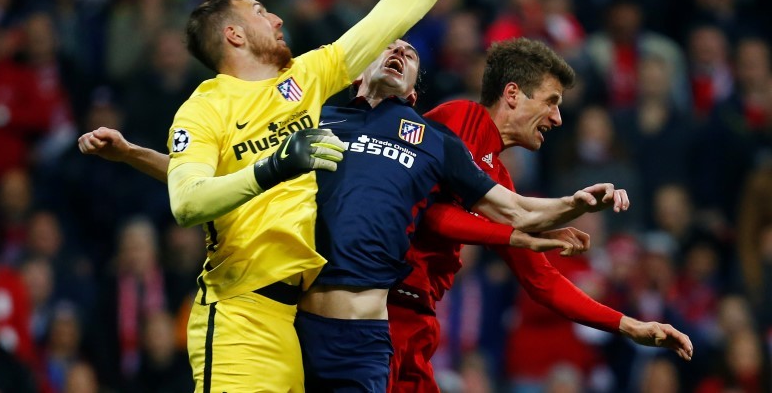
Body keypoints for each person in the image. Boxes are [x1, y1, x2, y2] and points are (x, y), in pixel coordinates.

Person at [80, 0, 500, 392]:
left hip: (293, 322)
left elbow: (385, 20)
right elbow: (188, 201)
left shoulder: (304, 78)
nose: (276, 17)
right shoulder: (204, 109)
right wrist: (279, 163)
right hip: (238, 313)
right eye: (260, 12)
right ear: (234, 34)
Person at [80, 40, 630, 392]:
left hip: (372, 337)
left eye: (411, 52)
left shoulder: (433, 139)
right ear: (356, 70)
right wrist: (132, 154)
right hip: (302, 327)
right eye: (385, 46)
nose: (397, 49)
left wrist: (573, 205)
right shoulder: (316, 123)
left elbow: (511, 210)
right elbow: (216, 182)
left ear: (415, 91)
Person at [387, 38, 694, 393]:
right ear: (513, 94)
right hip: (385, 308)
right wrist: (519, 235)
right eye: (551, 101)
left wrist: (630, 325)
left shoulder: (497, 181)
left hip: (417, 323)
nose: (557, 117)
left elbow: (543, 281)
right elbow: (428, 213)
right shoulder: (458, 118)